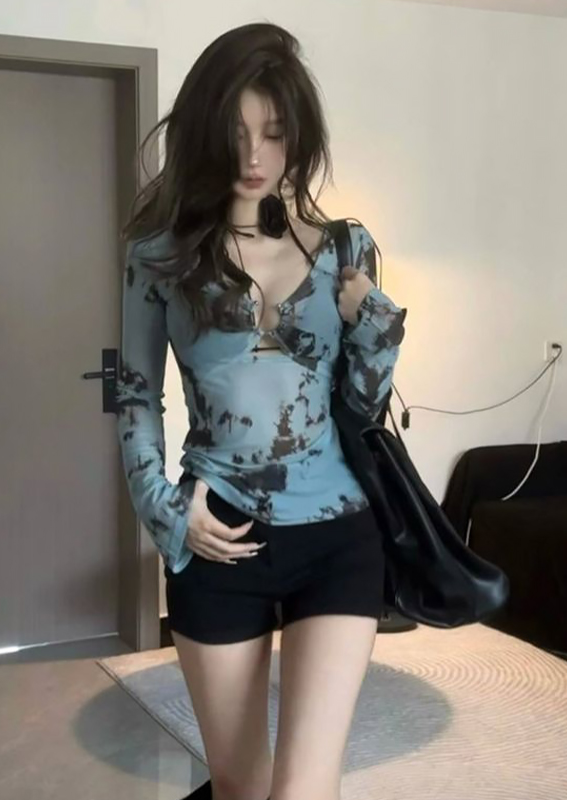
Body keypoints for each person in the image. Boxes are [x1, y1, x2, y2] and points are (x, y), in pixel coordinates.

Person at [116, 21, 406, 800]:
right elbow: (134, 392)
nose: (254, 156)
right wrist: (163, 510)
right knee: (241, 788)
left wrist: (378, 328)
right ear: (205, 133)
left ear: (298, 136)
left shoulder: (345, 248)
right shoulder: (159, 254)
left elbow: (363, 407)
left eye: (273, 133)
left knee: (304, 790)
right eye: (236, 132)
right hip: (218, 538)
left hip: (339, 536)